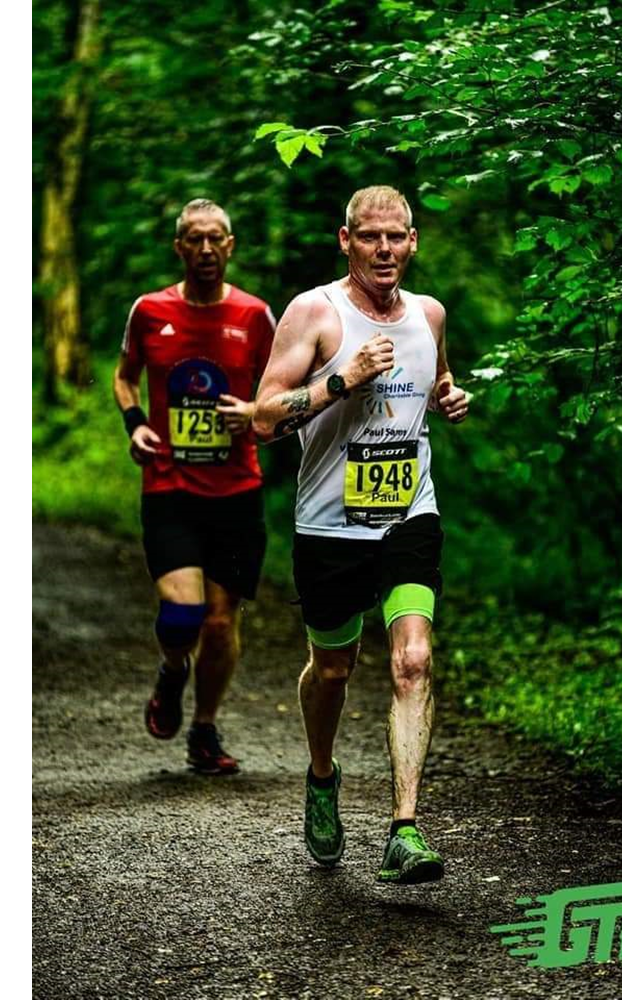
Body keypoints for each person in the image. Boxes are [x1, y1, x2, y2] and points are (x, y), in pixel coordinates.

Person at [253, 185, 468, 883]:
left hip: (409, 513)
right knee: (334, 668)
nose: (384, 250)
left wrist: (448, 396)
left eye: (396, 237)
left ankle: (404, 829)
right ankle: (322, 774)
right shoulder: (315, 312)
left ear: (412, 241)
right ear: (345, 240)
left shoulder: (430, 314)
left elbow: (435, 379)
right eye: (369, 237)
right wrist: (339, 380)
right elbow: (263, 415)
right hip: (328, 525)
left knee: (412, 659)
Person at [113, 198, 275, 774]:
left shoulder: (256, 316)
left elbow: (282, 390)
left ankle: (204, 729)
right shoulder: (149, 310)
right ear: (179, 247)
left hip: (236, 489)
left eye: (216, 240)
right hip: (170, 486)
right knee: (183, 615)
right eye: (195, 240)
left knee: (220, 620)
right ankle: (172, 668)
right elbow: (125, 377)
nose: (206, 250)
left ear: (231, 246)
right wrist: (136, 428)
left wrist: (256, 409)